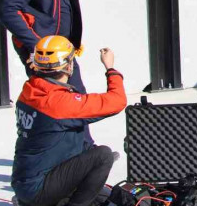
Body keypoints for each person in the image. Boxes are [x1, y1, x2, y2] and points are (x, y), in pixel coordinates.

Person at [0, 0, 92, 140]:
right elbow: (8, 10)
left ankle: (83, 148)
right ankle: (49, 155)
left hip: (62, 48)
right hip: (42, 53)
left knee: (77, 97)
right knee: (48, 105)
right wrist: (36, 47)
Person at [11, 36, 126, 206]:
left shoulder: (29, 91)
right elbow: (117, 101)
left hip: (26, 182)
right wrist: (110, 67)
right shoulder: (58, 104)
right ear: (69, 66)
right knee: (103, 156)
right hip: (39, 189)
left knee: (102, 192)